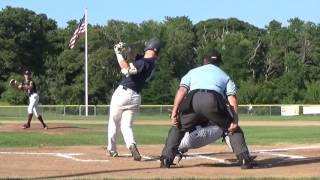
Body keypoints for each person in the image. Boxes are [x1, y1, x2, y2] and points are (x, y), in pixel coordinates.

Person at [160, 50, 255, 169]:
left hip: (192, 100)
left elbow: (182, 91)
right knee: (233, 128)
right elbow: (232, 98)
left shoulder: (192, 72)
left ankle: (166, 159)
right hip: (212, 100)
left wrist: (175, 111)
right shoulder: (225, 76)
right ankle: (245, 160)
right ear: (219, 63)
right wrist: (235, 120)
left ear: (204, 61)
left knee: (178, 126)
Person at [107, 37, 161, 161]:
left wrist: (118, 53)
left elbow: (126, 70)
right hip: (136, 97)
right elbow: (133, 55)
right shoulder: (150, 62)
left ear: (149, 46)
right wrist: (126, 48)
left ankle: (112, 149)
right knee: (127, 126)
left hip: (123, 92)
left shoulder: (143, 63)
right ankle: (131, 144)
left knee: (114, 122)